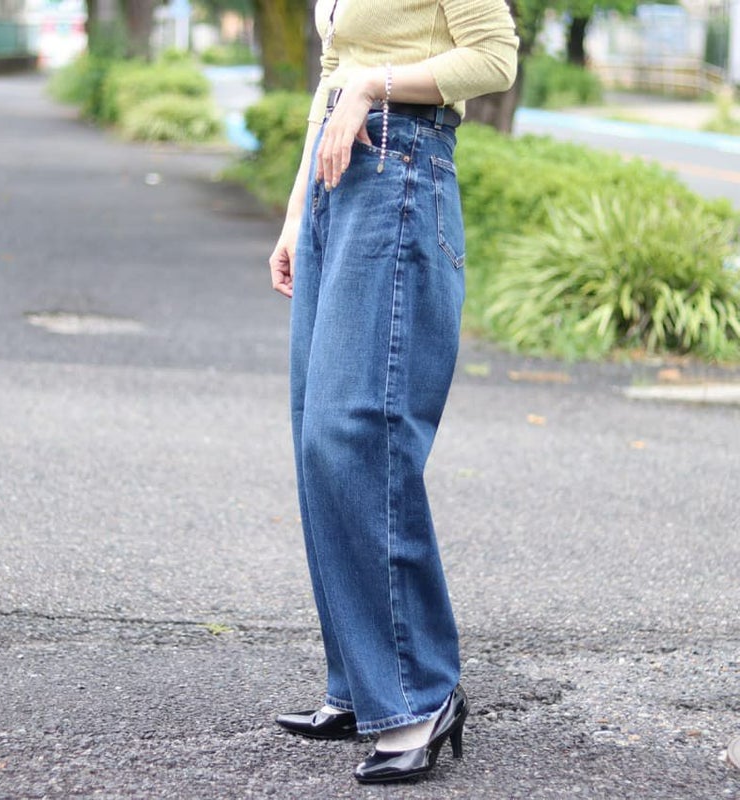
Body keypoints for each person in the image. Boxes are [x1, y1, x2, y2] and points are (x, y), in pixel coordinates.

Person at [268, 0, 518, 784]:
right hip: (336, 185)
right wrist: (296, 213)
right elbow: (333, 74)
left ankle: (417, 697)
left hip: (400, 171)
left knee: (357, 436)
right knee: (317, 436)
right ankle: (361, 685)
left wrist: (373, 85)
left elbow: (494, 58)